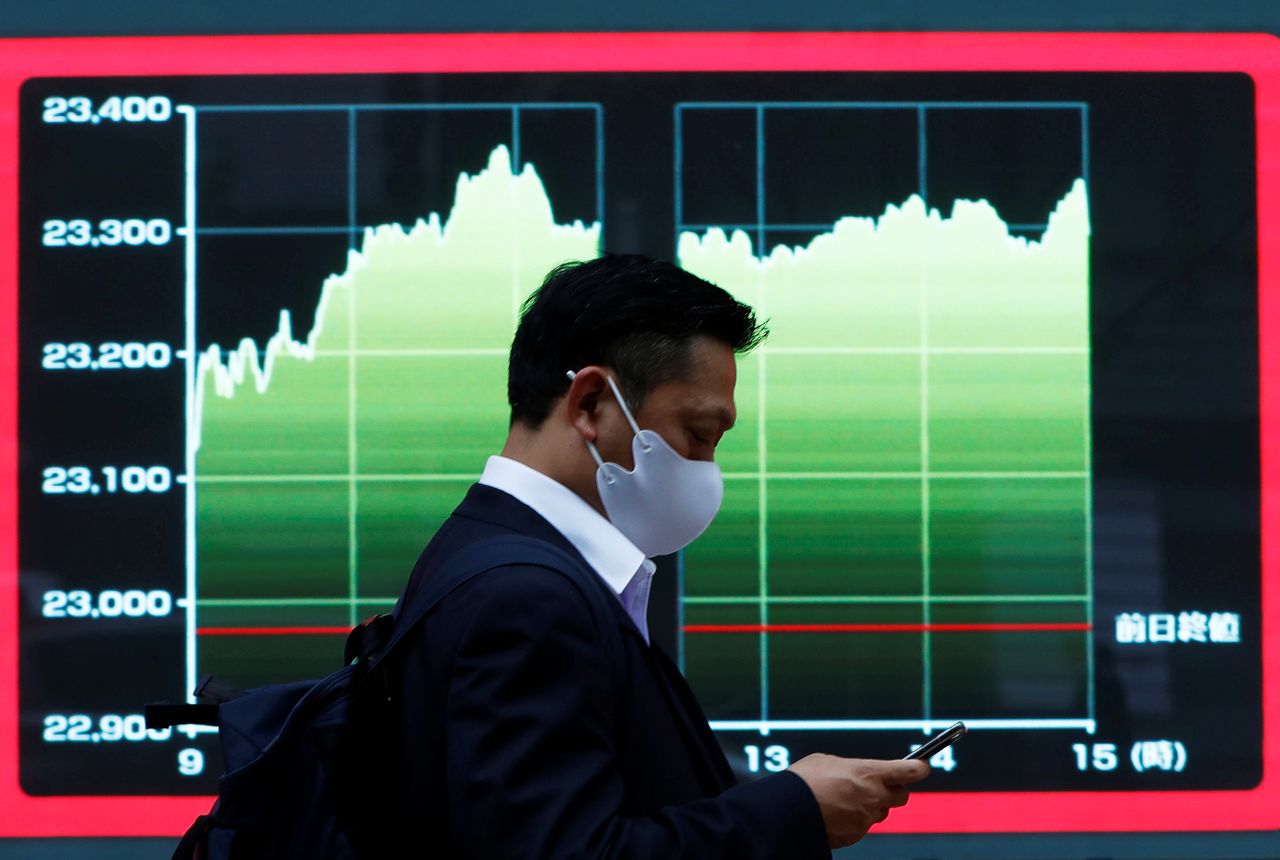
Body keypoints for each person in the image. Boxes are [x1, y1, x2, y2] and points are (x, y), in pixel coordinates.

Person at [382, 254, 929, 857]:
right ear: (591, 403)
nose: (707, 471)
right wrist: (793, 810)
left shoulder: (487, 550)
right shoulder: (526, 599)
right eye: (699, 435)